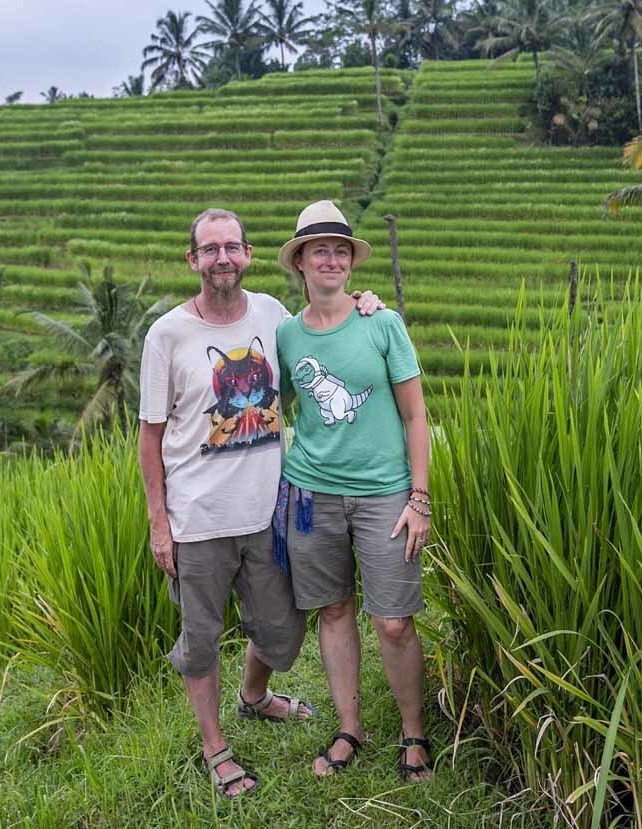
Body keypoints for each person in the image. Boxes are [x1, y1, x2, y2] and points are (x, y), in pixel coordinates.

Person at [138, 207, 383, 798]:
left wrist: (364, 305)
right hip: (196, 520)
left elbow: (324, 326)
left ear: (248, 254)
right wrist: (159, 523)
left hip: (269, 513)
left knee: (281, 629)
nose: (223, 257)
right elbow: (149, 434)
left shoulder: (274, 315)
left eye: (232, 246)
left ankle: (254, 696)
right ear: (193, 259)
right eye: (210, 248)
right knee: (200, 637)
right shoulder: (168, 334)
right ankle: (215, 748)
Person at [273, 200, 434, 783]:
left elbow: (416, 416)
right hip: (312, 493)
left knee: (393, 620)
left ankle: (413, 733)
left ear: (351, 262)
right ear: (301, 263)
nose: (332, 259)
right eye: (320, 250)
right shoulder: (286, 335)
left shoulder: (381, 322)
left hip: (385, 495)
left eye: (340, 250)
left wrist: (420, 498)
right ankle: (350, 727)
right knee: (335, 609)